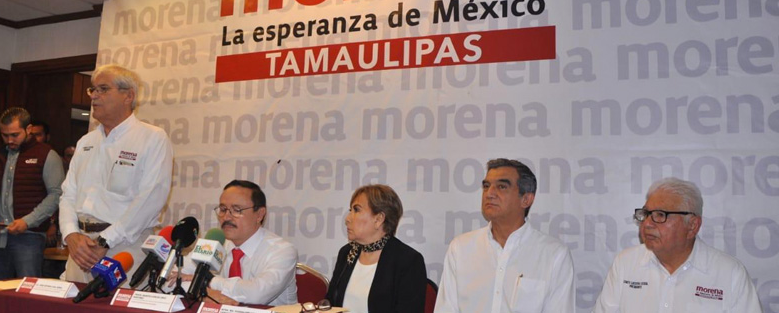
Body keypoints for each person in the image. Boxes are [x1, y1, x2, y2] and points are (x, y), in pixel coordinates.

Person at [59, 64, 174, 283]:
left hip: (124, 247)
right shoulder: (86, 141)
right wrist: (70, 234)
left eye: (103, 89)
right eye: (93, 89)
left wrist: (105, 241)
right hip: (80, 249)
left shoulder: (152, 138)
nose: (94, 96)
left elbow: (150, 199)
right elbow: (68, 195)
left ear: (128, 96)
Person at [592, 178, 763, 312]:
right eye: (646, 214)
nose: (647, 224)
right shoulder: (625, 263)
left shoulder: (730, 273)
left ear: (692, 225)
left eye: (660, 215)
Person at [434, 158, 575, 313]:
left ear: (526, 199)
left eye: (501, 187)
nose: (489, 194)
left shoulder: (554, 255)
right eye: (486, 186)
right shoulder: (461, 248)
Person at [0, 107, 65, 280]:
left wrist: (28, 221)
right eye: (4, 135)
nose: (9, 140)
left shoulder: (47, 155)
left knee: (27, 289)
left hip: (29, 237)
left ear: (28, 129)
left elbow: (56, 194)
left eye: (15, 135)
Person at [326, 184, 426, 313]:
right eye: (350, 210)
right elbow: (330, 304)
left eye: (356, 210)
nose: (347, 219)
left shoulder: (408, 261)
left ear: (378, 219)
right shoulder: (347, 252)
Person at [201, 180, 298, 305]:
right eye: (223, 209)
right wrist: (205, 291)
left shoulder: (282, 251)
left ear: (259, 215)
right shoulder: (216, 242)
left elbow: (256, 295)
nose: (226, 217)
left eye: (236, 210)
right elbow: (179, 277)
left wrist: (209, 281)